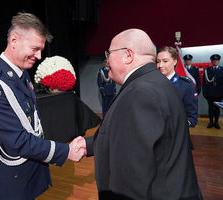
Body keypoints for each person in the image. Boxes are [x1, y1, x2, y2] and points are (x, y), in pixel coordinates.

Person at [76, 29, 202, 199]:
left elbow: (130, 179)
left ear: (128, 55)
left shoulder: (139, 93)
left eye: (109, 53)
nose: (107, 60)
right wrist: (90, 144)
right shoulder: (156, 82)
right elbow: (142, 137)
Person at [0, 12, 84, 200]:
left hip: (27, 173)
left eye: (41, 49)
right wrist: (65, 151)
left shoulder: (21, 73)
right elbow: (16, 141)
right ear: (14, 40)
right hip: (9, 182)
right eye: (35, 48)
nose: (39, 56)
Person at [157, 46, 198, 127]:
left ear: (175, 62)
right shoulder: (152, 83)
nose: (160, 65)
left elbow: (192, 118)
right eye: (158, 61)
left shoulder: (185, 85)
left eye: (165, 61)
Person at [202, 54, 223, 129]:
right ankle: (210, 122)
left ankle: (216, 122)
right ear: (211, 61)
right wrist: (204, 92)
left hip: (219, 92)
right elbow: (204, 83)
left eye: (216, 60)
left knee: (217, 109)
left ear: (219, 61)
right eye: (214, 60)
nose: (215, 61)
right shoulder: (207, 70)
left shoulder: (222, 69)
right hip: (210, 92)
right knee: (210, 108)